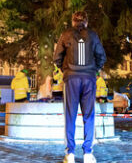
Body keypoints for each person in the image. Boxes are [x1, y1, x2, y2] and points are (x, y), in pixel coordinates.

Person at [53, 10, 107, 163]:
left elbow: (57, 57)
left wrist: (65, 69)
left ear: (73, 21)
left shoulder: (65, 34)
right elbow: (102, 57)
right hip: (89, 78)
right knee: (89, 115)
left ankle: (70, 154)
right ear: (86, 22)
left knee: (70, 115)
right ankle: (88, 153)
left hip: (71, 78)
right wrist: (93, 69)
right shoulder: (93, 35)